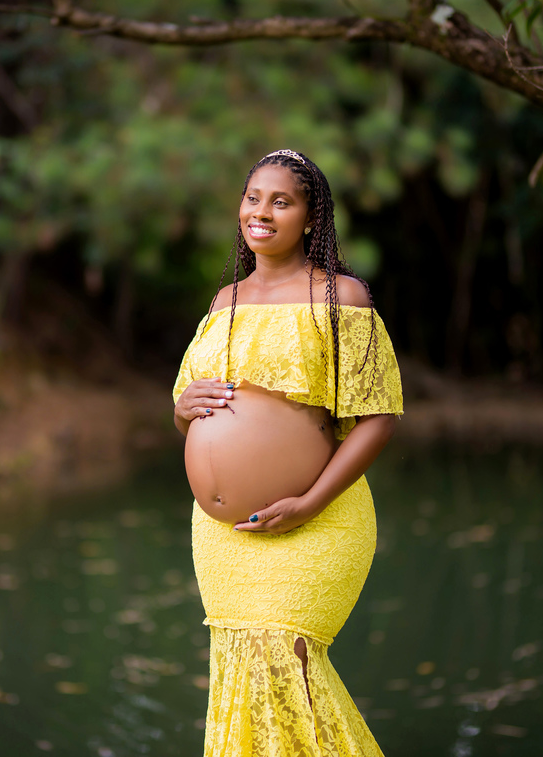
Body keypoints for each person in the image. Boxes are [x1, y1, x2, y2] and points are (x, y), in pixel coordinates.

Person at [173, 149, 403, 756]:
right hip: (223, 538)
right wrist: (184, 406)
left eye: (281, 201)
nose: (262, 212)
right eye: (253, 198)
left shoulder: (340, 298)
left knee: (286, 655)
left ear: (311, 217)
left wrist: (309, 503)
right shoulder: (223, 303)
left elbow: (378, 417)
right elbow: (188, 413)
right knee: (241, 668)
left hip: (317, 517)